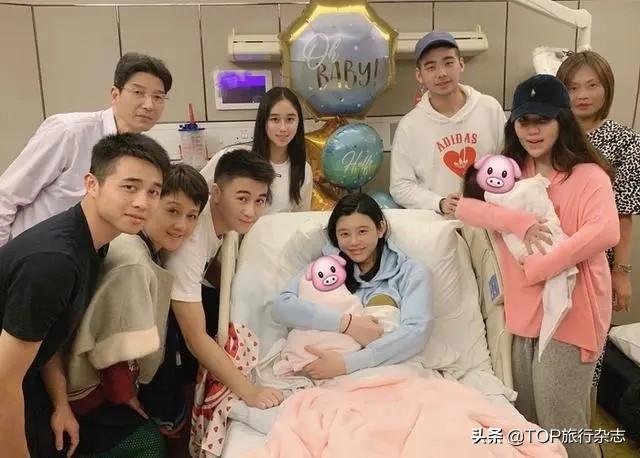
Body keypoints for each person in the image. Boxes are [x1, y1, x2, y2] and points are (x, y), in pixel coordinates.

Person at [455, 74, 619, 458]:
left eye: (542, 120)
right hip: (524, 313)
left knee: (564, 428)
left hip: (572, 315)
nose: (532, 131)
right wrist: (519, 222)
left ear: (562, 120)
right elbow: (464, 207)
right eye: (524, 121)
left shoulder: (588, 175)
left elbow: (606, 230)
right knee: (529, 425)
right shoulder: (509, 172)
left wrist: (539, 267)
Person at [0, 133, 170, 457]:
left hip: (28, 380)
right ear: (92, 184)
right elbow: (2, 382)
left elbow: (45, 333)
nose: (143, 202)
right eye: (129, 187)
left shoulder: (92, 242)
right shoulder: (54, 262)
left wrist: (61, 403)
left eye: (153, 192)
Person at [66, 164, 209, 457]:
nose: (181, 225)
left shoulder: (143, 247)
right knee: (149, 443)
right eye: (172, 211)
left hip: (110, 379)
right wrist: (128, 398)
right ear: (150, 203)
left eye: (191, 216)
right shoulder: (133, 262)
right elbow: (112, 345)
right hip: (93, 391)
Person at [0, 52, 172, 247]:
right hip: (34, 253)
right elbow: (6, 196)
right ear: (115, 95)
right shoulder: (70, 132)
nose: (149, 105)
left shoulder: (140, 152)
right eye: (138, 92)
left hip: (82, 254)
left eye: (158, 97)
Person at [556, 51, 640, 417]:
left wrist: (621, 272)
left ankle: (582, 434)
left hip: (595, 263)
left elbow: (624, 215)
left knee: (589, 358)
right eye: (572, 87)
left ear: (607, 88)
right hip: (548, 257)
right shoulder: (548, 133)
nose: (582, 95)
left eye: (592, 85)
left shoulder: (625, 142)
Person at [165, 149, 284, 408]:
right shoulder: (189, 245)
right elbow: (195, 338)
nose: (251, 211)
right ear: (216, 193)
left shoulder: (220, 223)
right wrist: (250, 391)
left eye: (260, 200)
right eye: (242, 198)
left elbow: (212, 271)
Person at [272, 192, 434, 379]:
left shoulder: (411, 272)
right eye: (344, 234)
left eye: (362, 231)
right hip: (323, 370)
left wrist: (347, 364)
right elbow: (281, 307)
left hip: (385, 370)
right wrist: (346, 324)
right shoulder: (325, 269)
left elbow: (416, 332)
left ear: (380, 229)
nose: (354, 242)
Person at [389, 31, 506, 216]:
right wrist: (439, 203)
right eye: (431, 67)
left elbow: (508, 162)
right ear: (419, 75)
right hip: (438, 225)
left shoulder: (489, 108)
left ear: (461, 64)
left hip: (490, 219)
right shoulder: (410, 126)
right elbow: (400, 186)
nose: (442, 73)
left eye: (448, 63)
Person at [200, 87, 312, 214]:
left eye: (290, 119)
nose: (283, 128)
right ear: (263, 121)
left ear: (299, 122)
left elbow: (300, 219)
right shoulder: (234, 158)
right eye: (275, 119)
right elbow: (194, 192)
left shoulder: (303, 170)